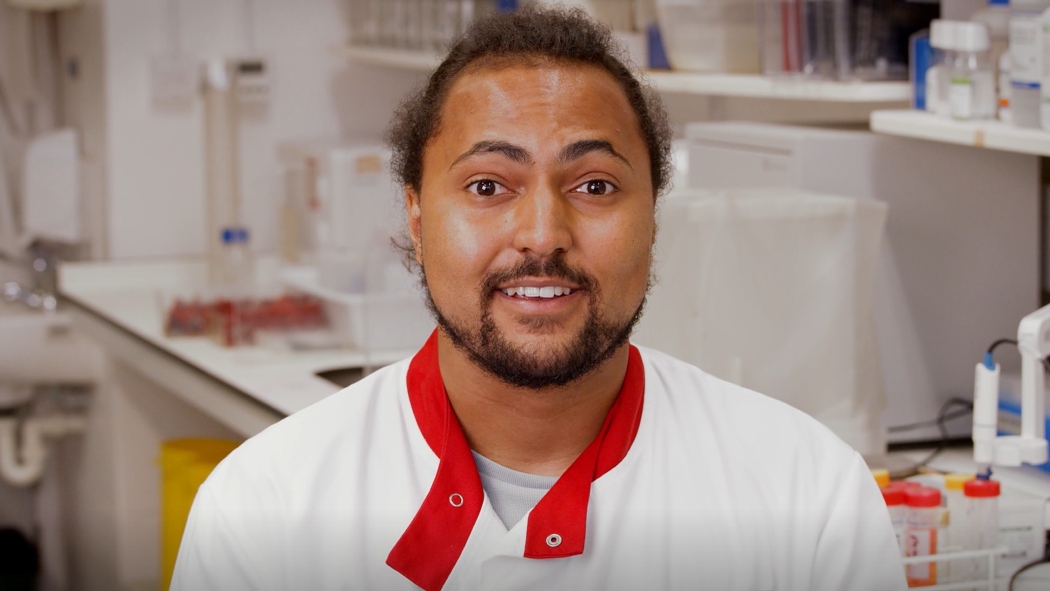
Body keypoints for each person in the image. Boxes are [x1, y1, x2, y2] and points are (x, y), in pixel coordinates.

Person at [171, 6, 906, 591]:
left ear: (653, 217)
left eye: (595, 186)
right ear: (417, 220)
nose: (543, 233)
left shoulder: (807, 498)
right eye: (488, 186)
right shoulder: (264, 509)